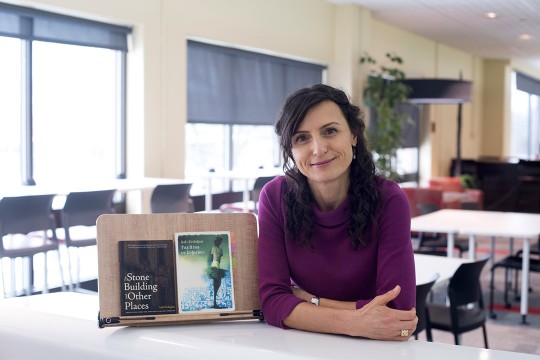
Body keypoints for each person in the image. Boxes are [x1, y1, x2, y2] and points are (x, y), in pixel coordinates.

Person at [257, 84, 417, 341]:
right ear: (290, 150)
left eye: (330, 131)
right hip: (303, 345)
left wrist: (308, 301)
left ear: (353, 135)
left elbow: (397, 314)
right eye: (302, 138)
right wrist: (354, 321)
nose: (318, 149)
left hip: (373, 349)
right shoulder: (275, 197)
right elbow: (272, 301)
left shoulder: (389, 200)